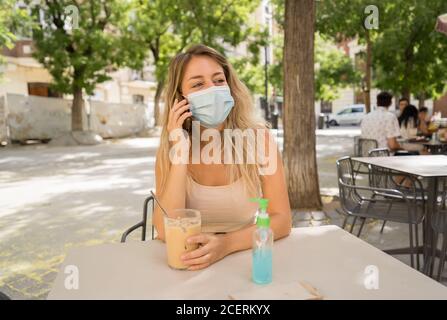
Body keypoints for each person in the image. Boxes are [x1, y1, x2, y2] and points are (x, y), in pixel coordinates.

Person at [153, 44, 292, 270]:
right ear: (181, 98)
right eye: (198, 84)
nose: (213, 89)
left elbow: (282, 220)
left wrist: (225, 245)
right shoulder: (171, 148)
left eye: (218, 80)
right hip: (187, 264)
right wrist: (180, 155)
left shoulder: (260, 139)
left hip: (244, 261)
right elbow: (163, 229)